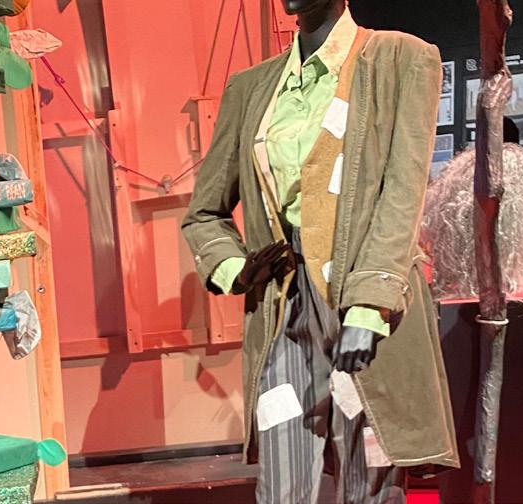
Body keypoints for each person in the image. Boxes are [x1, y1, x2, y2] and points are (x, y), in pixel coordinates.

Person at [182, 0, 458, 502]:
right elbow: (203, 213)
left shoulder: (401, 58)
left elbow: (403, 191)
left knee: (369, 479)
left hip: (365, 302)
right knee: (282, 484)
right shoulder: (250, 88)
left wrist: (370, 304)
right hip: (283, 308)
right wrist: (234, 267)